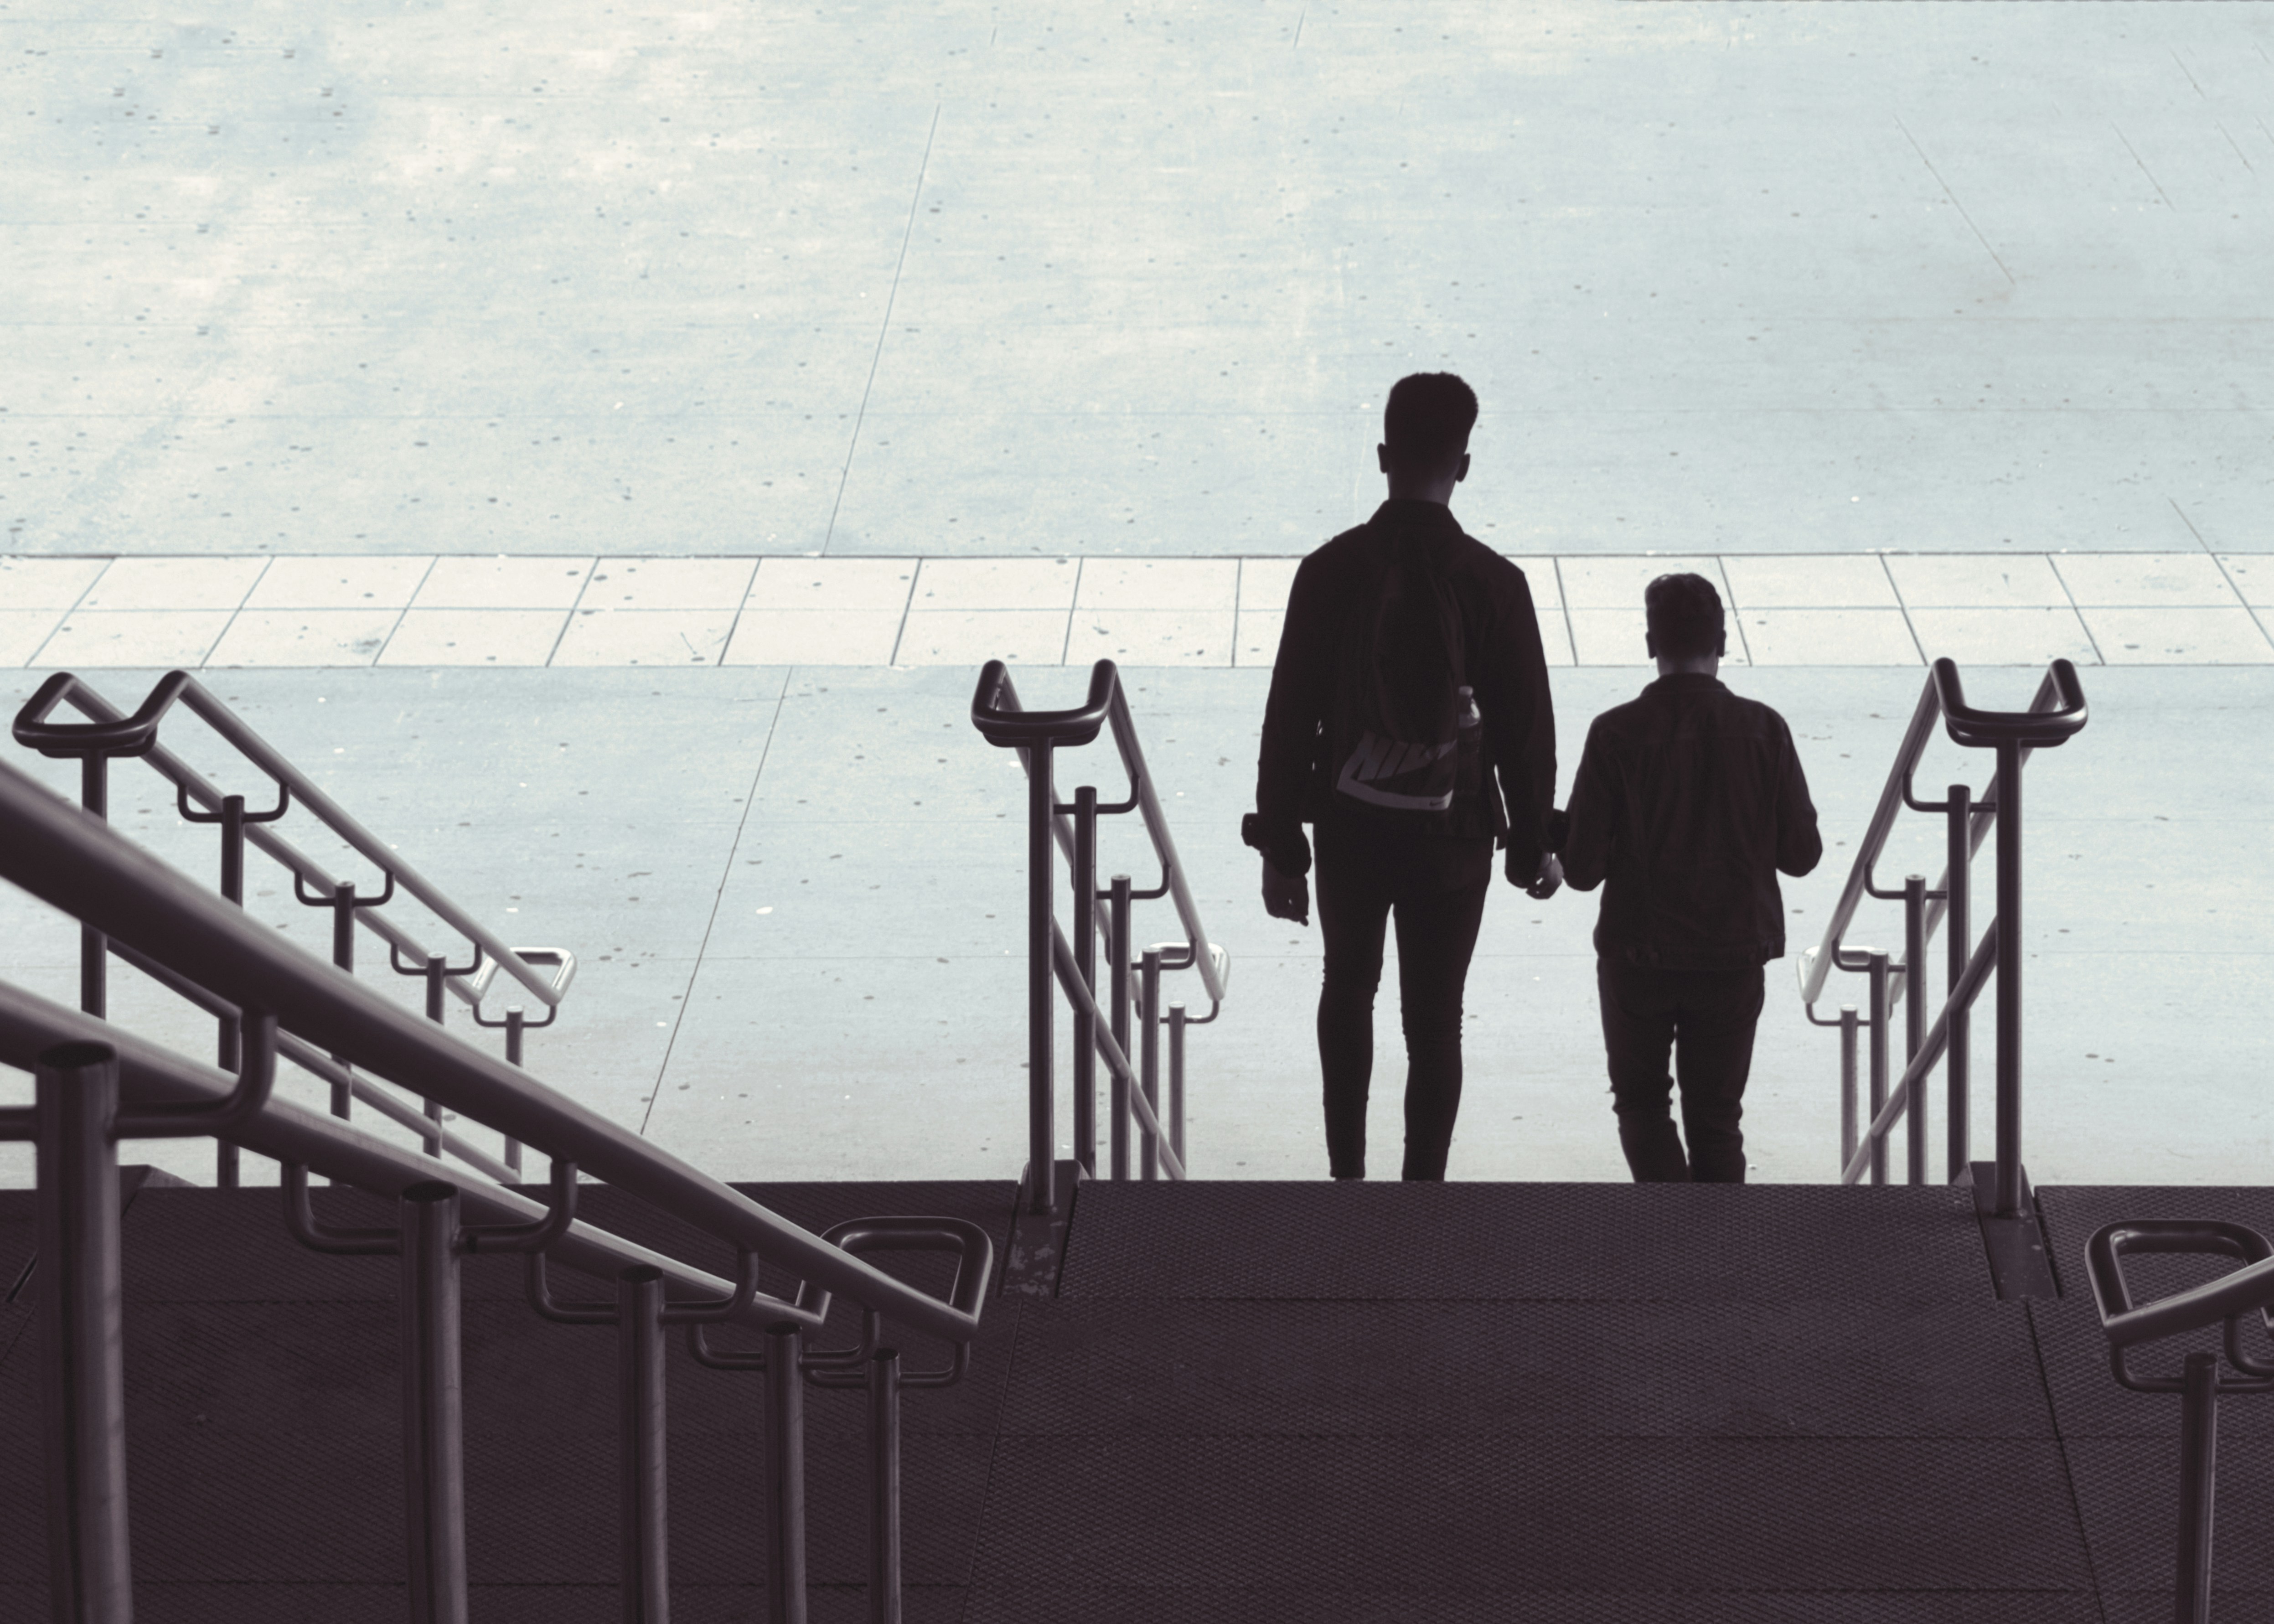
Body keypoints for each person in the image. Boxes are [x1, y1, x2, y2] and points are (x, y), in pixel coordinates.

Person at [1243, 372, 1559, 1181]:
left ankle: (1346, 1176)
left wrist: (1282, 845)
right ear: (1464, 464)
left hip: (1351, 826)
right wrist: (1529, 848)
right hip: (1452, 841)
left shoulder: (1330, 572)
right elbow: (1525, 735)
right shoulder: (1495, 583)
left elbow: (1289, 719)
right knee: (1436, 1021)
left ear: (1383, 456)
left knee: (1347, 987)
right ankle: (1423, 1192)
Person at [1556, 573, 1822, 1183]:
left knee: (1643, 1104)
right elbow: (1801, 854)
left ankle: (1670, 1234)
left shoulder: (1615, 733)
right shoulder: (1765, 730)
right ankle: (1718, 1248)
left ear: (1651, 642)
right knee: (1718, 1116)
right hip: (1733, 953)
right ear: (1723, 641)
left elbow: (1583, 869)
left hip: (1638, 952)